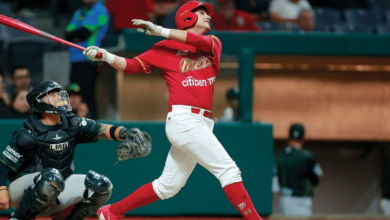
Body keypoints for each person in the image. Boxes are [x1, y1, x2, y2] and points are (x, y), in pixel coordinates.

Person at [84, 1, 262, 219]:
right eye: (201, 12)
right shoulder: (164, 48)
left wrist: (159, 30)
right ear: (188, 17)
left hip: (201, 123)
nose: (208, 16)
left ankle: (112, 211)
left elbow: (196, 41)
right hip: (184, 120)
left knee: (167, 187)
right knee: (229, 171)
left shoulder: (213, 43)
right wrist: (105, 56)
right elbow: (132, 66)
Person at [0, 81, 152, 220]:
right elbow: (2, 164)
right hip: (22, 191)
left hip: (56, 186)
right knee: (51, 178)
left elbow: (102, 129)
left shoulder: (72, 123)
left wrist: (126, 133)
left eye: (58, 94)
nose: (59, 98)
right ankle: (18, 218)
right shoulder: (28, 133)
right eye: (52, 96)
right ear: (39, 104)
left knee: (102, 186)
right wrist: (2, 189)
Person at [65, 0, 109, 119]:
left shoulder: (100, 11)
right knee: (73, 95)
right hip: (75, 58)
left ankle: (93, 127)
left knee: (87, 96)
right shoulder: (79, 12)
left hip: (89, 59)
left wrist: (75, 35)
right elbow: (67, 34)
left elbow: (84, 32)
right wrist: (74, 35)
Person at [276, 123, 322, 216]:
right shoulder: (307, 156)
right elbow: (317, 177)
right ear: (303, 139)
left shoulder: (280, 154)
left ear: (288, 138)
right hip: (301, 200)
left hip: (285, 199)